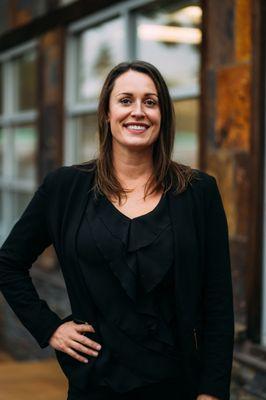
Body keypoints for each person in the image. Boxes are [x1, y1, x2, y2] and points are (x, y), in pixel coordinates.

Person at [0, 60, 234, 400]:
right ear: (107, 114)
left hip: (178, 385)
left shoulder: (198, 192)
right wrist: (49, 327)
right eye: (125, 100)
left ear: (162, 115)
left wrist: (212, 391)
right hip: (95, 384)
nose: (138, 111)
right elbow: (8, 263)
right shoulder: (65, 188)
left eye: (150, 102)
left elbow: (218, 301)